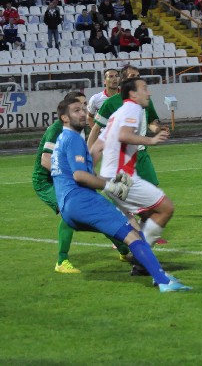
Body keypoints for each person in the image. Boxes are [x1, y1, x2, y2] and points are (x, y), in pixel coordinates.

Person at [51, 95, 189, 292]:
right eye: (76, 110)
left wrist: (111, 181)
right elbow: (80, 176)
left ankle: (151, 269)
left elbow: (83, 174)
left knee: (131, 229)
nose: (83, 113)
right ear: (64, 118)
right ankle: (163, 281)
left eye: (83, 108)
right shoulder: (73, 139)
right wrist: (111, 186)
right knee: (134, 236)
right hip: (83, 202)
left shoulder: (63, 139)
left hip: (68, 208)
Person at [32, 92, 129, 274]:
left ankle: (124, 250)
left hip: (69, 179)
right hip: (46, 181)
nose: (84, 111)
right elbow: (46, 160)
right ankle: (62, 261)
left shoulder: (79, 129)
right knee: (68, 213)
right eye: (79, 107)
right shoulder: (57, 129)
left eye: (85, 107)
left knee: (96, 212)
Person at [88, 66, 163, 190]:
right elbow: (96, 129)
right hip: (120, 155)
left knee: (153, 190)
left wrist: (158, 130)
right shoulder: (110, 103)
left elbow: (151, 122)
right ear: (123, 80)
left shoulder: (145, 99)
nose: (136, 79)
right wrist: (88, 158)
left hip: (141, 153)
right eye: (132, 76)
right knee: (124, 195)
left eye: (138, 76)